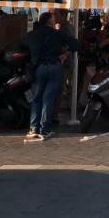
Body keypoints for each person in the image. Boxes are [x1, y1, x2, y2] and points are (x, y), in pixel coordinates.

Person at [21, 12, 78, 141]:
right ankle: (44, 129)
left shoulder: (32, 35)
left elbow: (22, 43)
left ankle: (33, 128)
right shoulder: (57, 34)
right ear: (50, 22)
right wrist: (65, 53)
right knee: (49, 98)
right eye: (53, 20)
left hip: (38, 67)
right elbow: (75, 44)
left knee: (37, 97)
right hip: (54, 66)